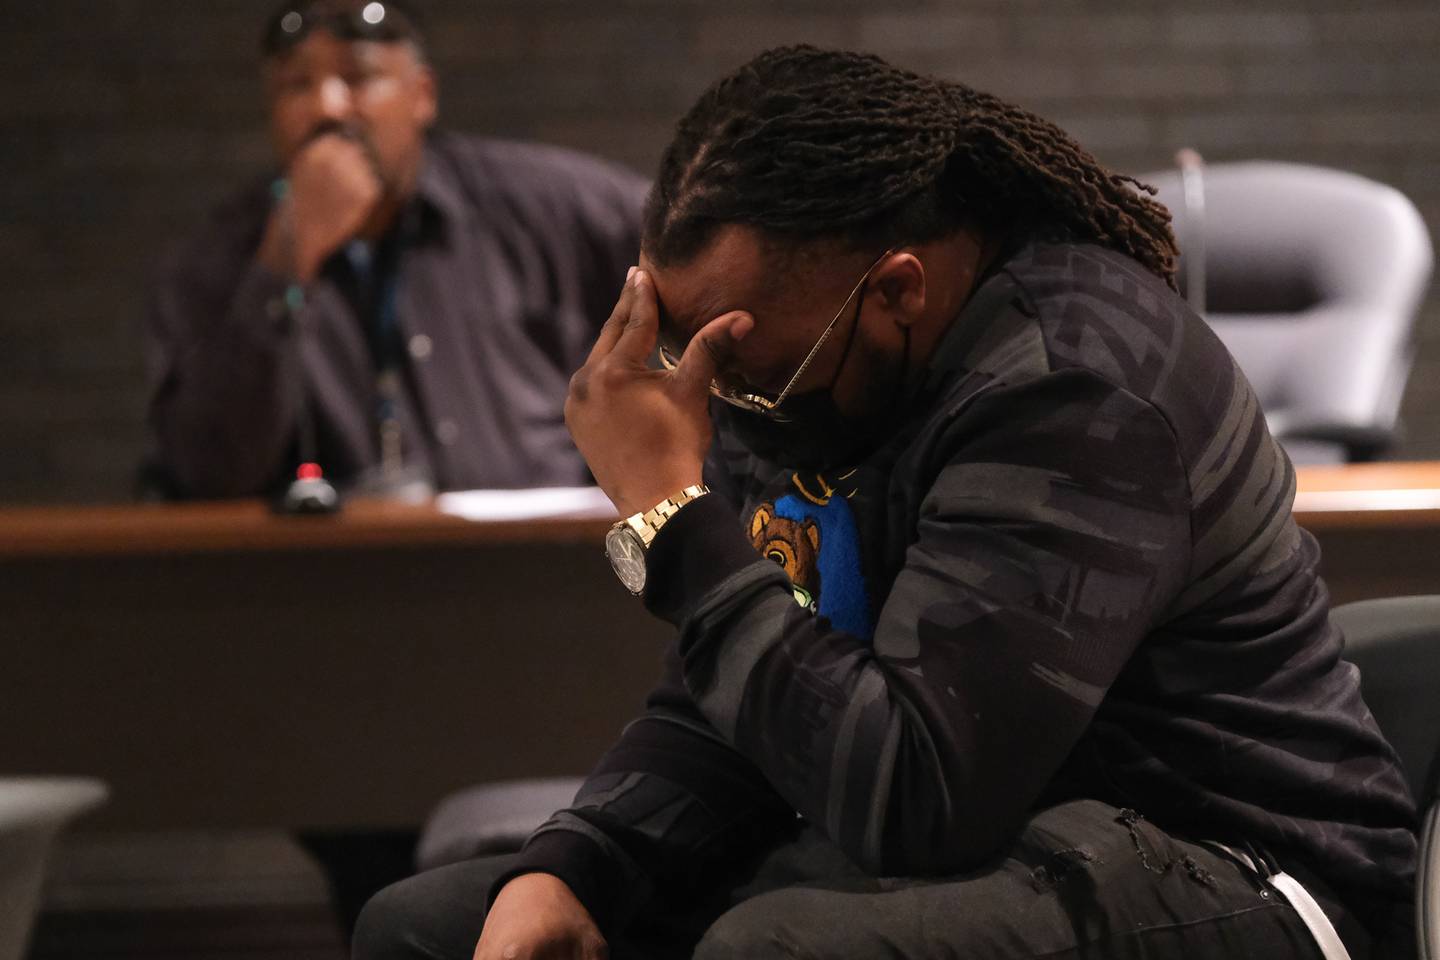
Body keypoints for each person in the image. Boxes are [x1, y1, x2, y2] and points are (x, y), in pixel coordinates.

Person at [355, 46, 1418, 960]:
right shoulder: (809, 372)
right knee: (437, 927)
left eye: (746, 367)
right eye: (699, 356)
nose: (725, 400)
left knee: (776, 948)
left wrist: (671, 521)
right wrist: (581, 862)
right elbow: (743, 684)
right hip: (1013, 824)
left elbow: (919, 798)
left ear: (899, 290)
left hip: (1242, 861)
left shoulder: (1070, 386)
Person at [145, 0, 646, 499]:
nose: (326, 106)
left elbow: (689, 253)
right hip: (340, 571)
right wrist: (284, 261)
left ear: (422, 95)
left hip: (551, 557)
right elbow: (204, 476)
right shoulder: (215, 262)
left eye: (358, 78)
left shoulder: (544, 207)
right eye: (296, 85)